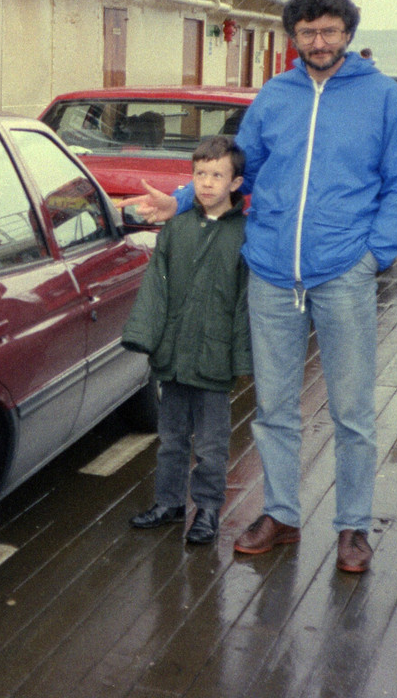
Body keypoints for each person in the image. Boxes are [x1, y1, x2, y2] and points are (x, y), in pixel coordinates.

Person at [121, 0, 397, 574]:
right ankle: (281, 513)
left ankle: (353, 526)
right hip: (273, 273)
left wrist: (373, 256)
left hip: (343, 272)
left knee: (352, 411)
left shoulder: (382, 97)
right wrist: (181, 200)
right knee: (274, 407)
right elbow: (239, 169)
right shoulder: (276, 96)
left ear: (348, 32)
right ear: (294, 37)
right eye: (307, 32)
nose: (319, 42)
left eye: (329, 30)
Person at [120, 136, 252, 546]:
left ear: (236, 183)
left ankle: (208, 510)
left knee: (211, 444)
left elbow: (245, 303)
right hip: (174, 356)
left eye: (217, 175)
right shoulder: (176, 230)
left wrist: (242, 358)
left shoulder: (245, 236)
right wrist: (145, 337)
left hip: (214, 358)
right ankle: (169, 502)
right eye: (200, 174)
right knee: (171, 438)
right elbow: (156, 289)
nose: (207, 183)